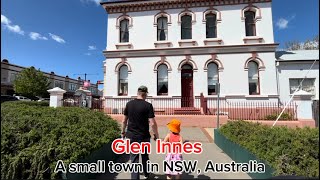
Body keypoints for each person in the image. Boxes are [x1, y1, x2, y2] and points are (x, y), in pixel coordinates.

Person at [122, 85, 160, 180]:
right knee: (145, 156)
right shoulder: (148, 105)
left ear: (137, 93)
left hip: (131, 136)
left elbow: (124, 121)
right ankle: (146, 174)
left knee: (134, 159)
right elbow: (152, 123)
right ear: (145, 94)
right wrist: (156, 135)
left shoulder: (129, 104)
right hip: (144, 136)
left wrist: (123, 132)